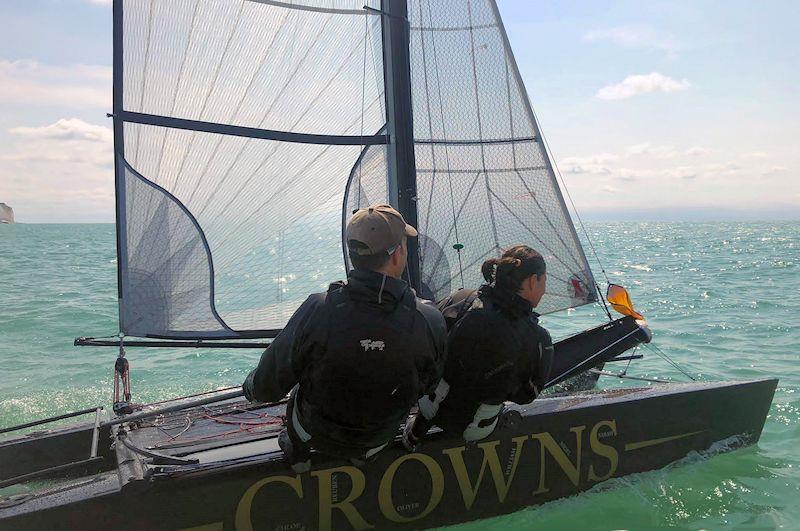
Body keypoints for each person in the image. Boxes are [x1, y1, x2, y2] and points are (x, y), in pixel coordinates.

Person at [242, 204, 446, 470]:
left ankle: (300, 455)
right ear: (397, 256)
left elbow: (266, 387)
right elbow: (429, 385)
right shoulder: (429, 319)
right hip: (378, 439)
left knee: (297, 387)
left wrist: (249, 388)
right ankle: (362, 456)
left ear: (354, 255)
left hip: (315, 434)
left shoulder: (318, 309)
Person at [404, 245, 554, 447]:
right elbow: (526, 397)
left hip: (430, 406)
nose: (545, 289)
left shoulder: (462, 299)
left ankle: (414, 433)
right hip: (473, 429)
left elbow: (429, 335)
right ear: (532, 280)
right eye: (544, 280)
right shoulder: (539, 339)